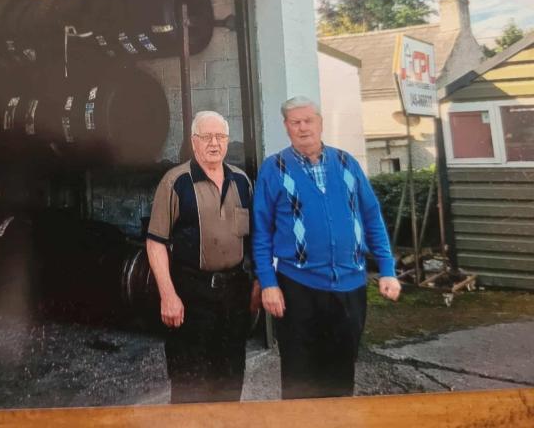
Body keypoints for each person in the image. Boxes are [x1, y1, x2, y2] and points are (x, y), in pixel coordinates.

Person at [252, 96, 401, 399]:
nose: (303, 128)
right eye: (296, 122)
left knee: (341, 376)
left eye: (309, 120)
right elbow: (261, 232)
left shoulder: (347, 163)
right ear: (286, 127)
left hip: (350, 287)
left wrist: (387, 269)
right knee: (299, 377)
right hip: (298, 287)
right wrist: (268, 283)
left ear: (320, 123)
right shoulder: (274, 168)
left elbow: (372, 217)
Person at [146, 110, 261, 403]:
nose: (214, 143)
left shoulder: (242, 182)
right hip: (191, 294)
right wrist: (168, 296)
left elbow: (256, 239)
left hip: (234, 295)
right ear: (194, 142)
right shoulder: (175, 182)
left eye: (220, 136)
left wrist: (259, 284)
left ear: (227, 141)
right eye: (206, 137)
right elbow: (155, 242)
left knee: (230, 380)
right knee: (189, 386)